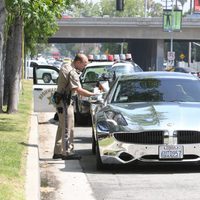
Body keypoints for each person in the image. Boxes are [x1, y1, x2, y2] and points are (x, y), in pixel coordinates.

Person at [53, 53, 96, 160]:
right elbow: (79, 90)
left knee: (62, 127)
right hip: (65, 102)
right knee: (68, 127)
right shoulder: (72, 72)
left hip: (60, 100)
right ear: (78, 62)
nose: (85, 67)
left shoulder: (65, 66)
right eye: (84, 64)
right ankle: (68, 152)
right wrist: (94, 94)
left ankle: (58, 151)